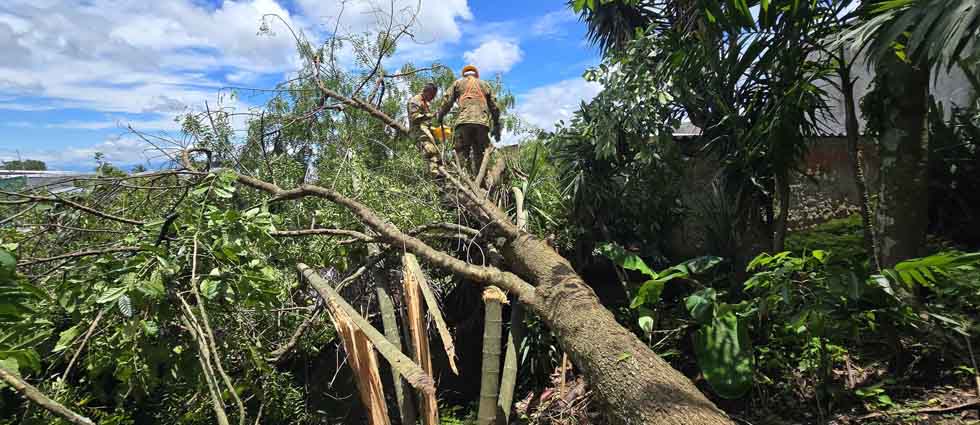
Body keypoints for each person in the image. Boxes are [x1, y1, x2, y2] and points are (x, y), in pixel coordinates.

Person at [437, 65, 501, 174]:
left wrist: (440, 115)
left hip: (463, 123)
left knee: (460, 153)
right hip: (482, 124)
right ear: (476, 74)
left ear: (464, 74)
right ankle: (482, 183)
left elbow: (447, 102)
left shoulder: (458, 83)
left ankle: (459, 180)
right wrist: (496, 124)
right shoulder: (485, 85)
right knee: (480, 155)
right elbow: (495, 107)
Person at [407, 83, 440, 173]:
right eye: (432, 95)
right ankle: (435, 174)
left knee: (438, 153)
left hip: (425, 132)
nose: (433, 97)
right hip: (418, 133)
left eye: (434, 95)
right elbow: (415, 118)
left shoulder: (425, 103)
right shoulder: (415, 101)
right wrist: (431, 115)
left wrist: (435, 129)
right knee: (430, 150)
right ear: (426, 92)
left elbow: (425, 123)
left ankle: (438, 173)